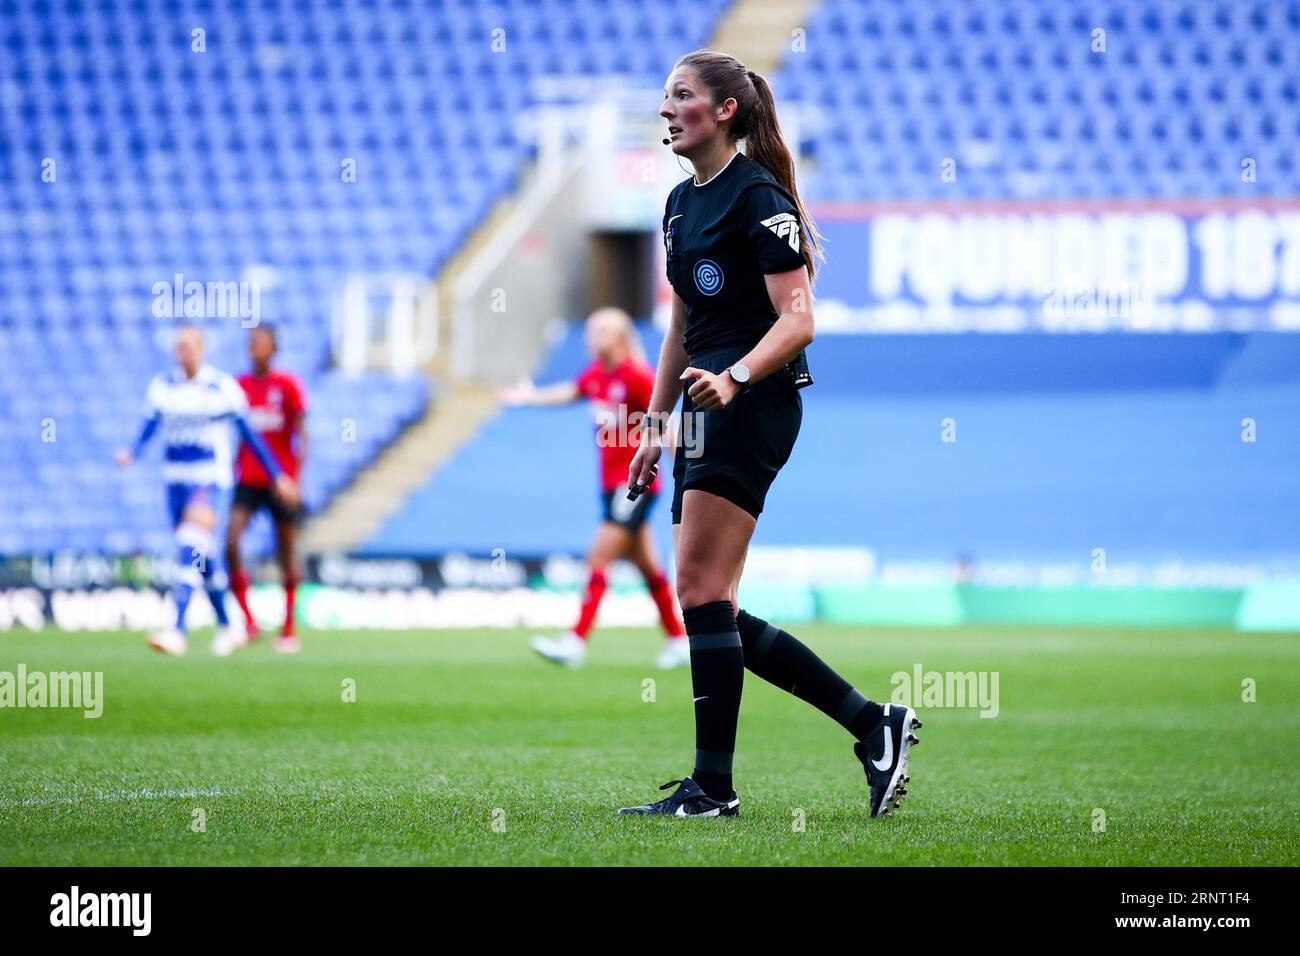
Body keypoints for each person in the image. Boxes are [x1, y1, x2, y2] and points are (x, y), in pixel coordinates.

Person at [617, 51, 921, 819]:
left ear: (723, 111)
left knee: (703, 592)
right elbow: (680, 327)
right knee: (706, 600)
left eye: (679, 96)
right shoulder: (681, 204)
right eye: (664, 96)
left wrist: (737, 379)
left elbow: (800, 319)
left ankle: (714, 790)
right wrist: (653, 427)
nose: (665, 110)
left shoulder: (760, 198)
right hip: (696, 403)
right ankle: (871, 722)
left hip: (749, 400)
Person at [503, 307, 689, 669]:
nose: (592, 336)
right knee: (646, 565)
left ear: (620, 336)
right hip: (610, 486)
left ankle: (575, 642)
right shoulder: (598, 375)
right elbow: (571, 391)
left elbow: (663, 416)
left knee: (598, 557)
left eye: (600, 329)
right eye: (590, 329)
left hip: (634, 485)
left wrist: (682, 464)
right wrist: (530, 397)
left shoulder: (635, 375)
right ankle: (679, 640)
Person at [116, 324, 299, 656]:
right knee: (205, 556)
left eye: (189, 346)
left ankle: (178, 628)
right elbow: (149, 426)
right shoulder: (163, 386)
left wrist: (278, 474)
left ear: (201, 350)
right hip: (175, 480)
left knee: (189, 544)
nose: (183, 352)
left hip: (208, 479)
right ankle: (230, 624)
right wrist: (132, 451)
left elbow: (250, 435)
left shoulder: (220, 387)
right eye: (179, 347)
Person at [226, 325, 308, 654]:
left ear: (274, 348)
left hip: (280, 482)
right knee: (230, 542)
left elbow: (302, 436)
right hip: (248, 478)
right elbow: (239, 434)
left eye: (261, 343)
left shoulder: (287, 385)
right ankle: (249, 621)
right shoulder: (239, 387)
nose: (255, 348)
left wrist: (296, 479)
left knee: (285, 553)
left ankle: (288, 628)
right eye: (251, 343)